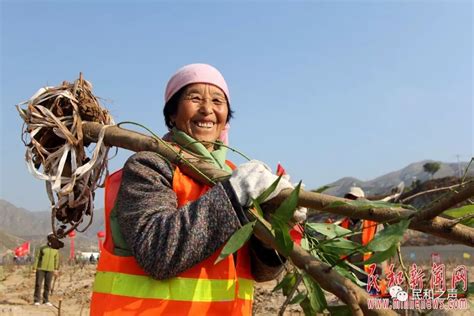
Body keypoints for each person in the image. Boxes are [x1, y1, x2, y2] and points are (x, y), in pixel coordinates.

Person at [90, 63, 306, 315]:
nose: (207, 109)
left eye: (217, 100)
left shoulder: (232, 174)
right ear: (172, 113)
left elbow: (262, 273)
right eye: (194, 98)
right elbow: (159, 254)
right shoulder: (149, 166)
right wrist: (234, 195)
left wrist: (273, 232)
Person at [33, 233, 60, 306]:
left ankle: (46, 300)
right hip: (40, 268)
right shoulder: (42, 247)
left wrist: (56, 269)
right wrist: (35, 268)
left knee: (47, 285)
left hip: (50, 269)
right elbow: (37, 257)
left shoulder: (56, 249)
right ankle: (36, 300)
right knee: (38, 284)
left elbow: (56, 259)